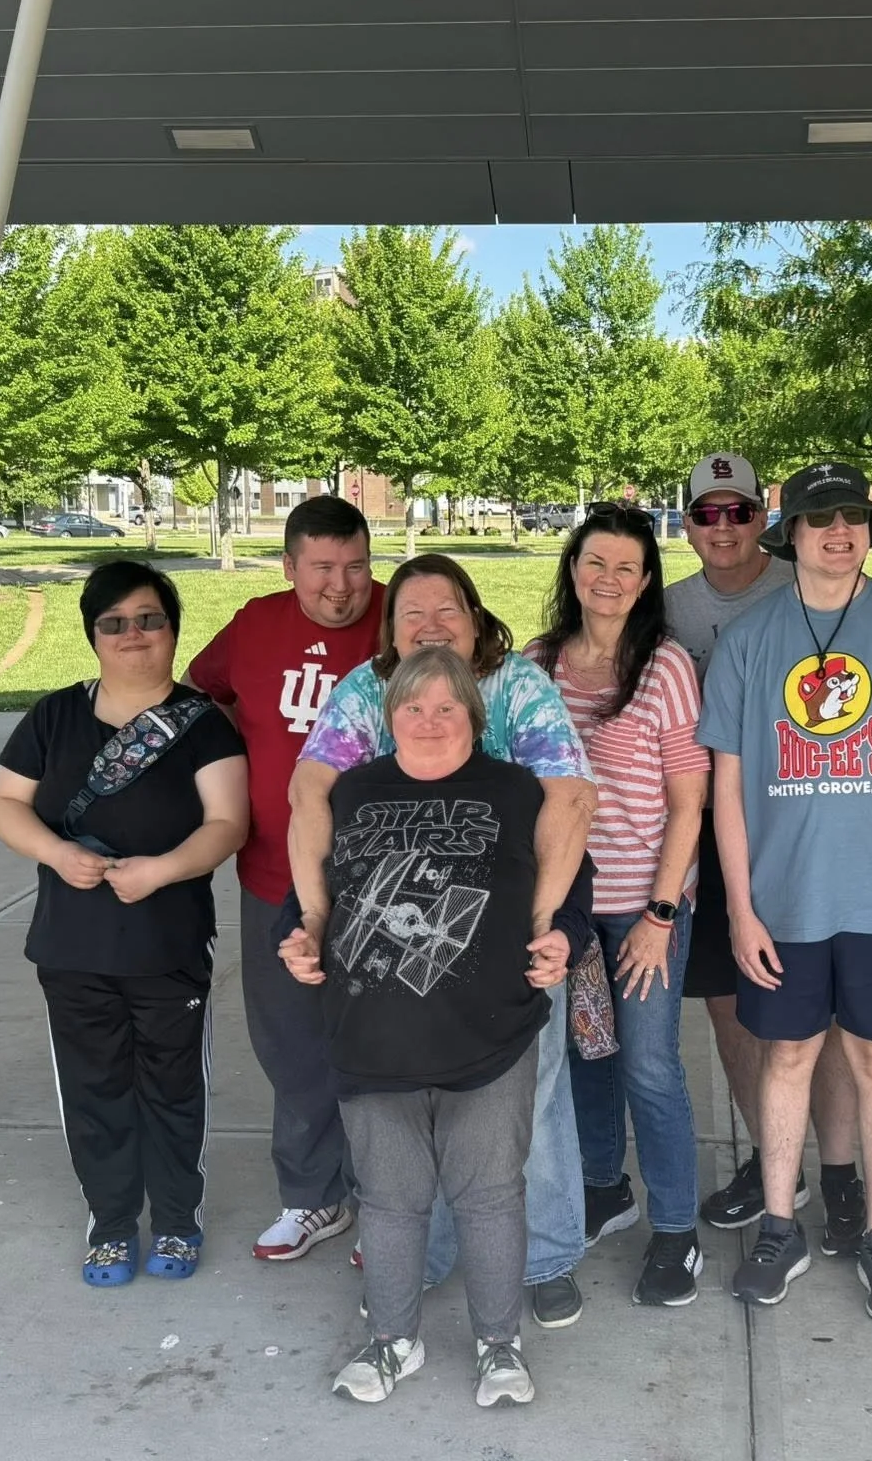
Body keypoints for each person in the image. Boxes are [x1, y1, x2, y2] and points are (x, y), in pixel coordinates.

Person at [289, 553, 598, 1327]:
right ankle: (421, 1257)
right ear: (391, 630)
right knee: (410, 1108)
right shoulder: (366, 689)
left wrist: (547, 927)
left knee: (533, 1097)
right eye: (411, 614)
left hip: (504, 933)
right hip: (401, 940)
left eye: (447, 611)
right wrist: (315, 922)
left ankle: (548, 1255)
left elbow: (567, 797)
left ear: (476, 617)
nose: (431, 626)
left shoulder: (516, 685)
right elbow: (312, 792)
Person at [698, 463, 872, 1323]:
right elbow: (727, 789)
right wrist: (741, 909)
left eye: (854, 516)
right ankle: (781, 1225)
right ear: (793, 534)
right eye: (820, 518)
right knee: (786, 1057)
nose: (838, 531)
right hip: (784, 903)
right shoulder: (750, 642)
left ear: (871, 530)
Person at [0, 562, 250, 1286]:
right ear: (93, 635)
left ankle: (175, 1219)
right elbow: (3, 804)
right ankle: (108, 1222)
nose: (134, 635)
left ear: (172, 629)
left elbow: (228, 823)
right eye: (115, 622)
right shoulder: (53, 717)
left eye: (149, 619)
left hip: (167, 947)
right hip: (72, 947)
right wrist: (56, 852)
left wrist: (161, 869)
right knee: (93, 1087)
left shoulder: (202, 725)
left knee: (172, 1087)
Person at [666, 454, 866, 1249]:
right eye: (707, 514)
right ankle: (773, 1161)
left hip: (805, 831)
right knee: (731, 1007)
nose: (724, 528)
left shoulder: (805, 592)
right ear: (686, 525)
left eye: (739, 512)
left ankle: (844, 1172)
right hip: (714, 834)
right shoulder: (669, 609)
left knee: (828, 1016)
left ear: (765, 522)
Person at [183, 496, 383, 1263]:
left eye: (357, 565)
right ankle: (311, 1198)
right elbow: (206, 696)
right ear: (290, 566)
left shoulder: (399, 617)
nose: (342, 586)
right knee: (292, 1044)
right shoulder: (255, 624)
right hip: (273, 872)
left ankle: (384, 1199)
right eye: (323, 569)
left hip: (383, 882)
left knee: (381, 1043)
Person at [527, 504, 710, 1305]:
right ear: (574, 570)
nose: (608, 580)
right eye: (595, 563)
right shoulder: (537, 664)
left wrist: (660, 917)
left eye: (626, 568)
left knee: (647, 1064)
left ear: (644, 583)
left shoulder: (665, 666)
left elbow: (688, 802)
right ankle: (605, 1186)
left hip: (643, 904)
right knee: (581, 1057)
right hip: (566, 904)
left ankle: (677, 1229)